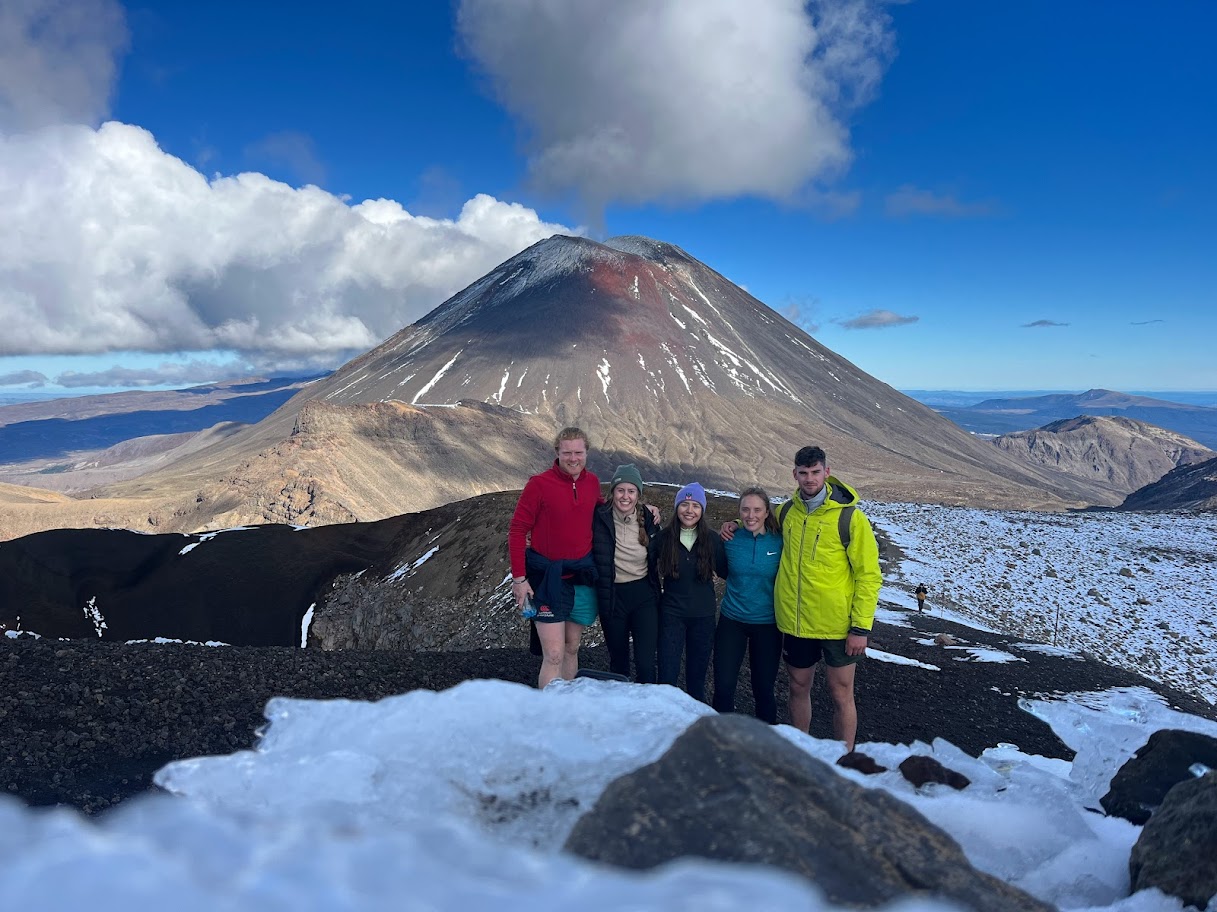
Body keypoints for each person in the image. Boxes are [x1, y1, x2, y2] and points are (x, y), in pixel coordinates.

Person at [721, 446, 881, 751]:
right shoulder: (786, 513)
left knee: (841, 693)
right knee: (797, 687)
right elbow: (757, 519)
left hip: (837, 624)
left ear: (827, 473)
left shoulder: (850, 519)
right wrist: (733, 525)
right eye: (803, 473)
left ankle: (844, 758)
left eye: (815, 472)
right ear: (795, 474)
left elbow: (869, 575)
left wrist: (861, 627)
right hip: (796, 623)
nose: (809, 479)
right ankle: (801, 751)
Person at [508, 427, 601, 688]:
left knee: (572, 648)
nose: (573, 458)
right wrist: (519, 579)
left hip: (581, 577)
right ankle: (548, 717)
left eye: (578, 452)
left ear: (587, 453)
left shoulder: (592, 483)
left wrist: (644, 509)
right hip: (548, 580)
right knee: (554, 654)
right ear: (557, 453)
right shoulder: (539, 485)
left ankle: (566, 710)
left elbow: (603, 509)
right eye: (567, 452)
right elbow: (517, 530)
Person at [712, 487, 784, 724]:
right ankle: (721, 742)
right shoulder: (730, 540)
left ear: (766, 512)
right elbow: (722, 570)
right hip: (732, 620)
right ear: (739, 512)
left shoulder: (780, 541)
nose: (750, 515)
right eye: (745, 509)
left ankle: (767, 746)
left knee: (763, 689)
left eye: (757, 510)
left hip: (768, 623)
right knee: (723, 686)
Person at [592, 464, 661, 683]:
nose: (625, 496)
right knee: (618, 662)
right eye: (620, 490)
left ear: (638, 495)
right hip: (612, 597)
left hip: (644, 596)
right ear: (612, 492)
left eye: (631, 491)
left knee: (645, 662)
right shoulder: (598, 517)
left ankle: (646, 711)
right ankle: (621, 712)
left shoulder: (649, 519)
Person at [653, 482, 718, 702]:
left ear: (703, 510)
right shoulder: (663, 539)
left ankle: (694, 726)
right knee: (667, 677)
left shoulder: (713, 540)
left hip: (703, 617)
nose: (689, 510)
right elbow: (646, 568)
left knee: (696, 680)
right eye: (684, 504)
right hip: (672, 615)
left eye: (696, 505)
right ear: (676, 507)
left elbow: (729, 571)